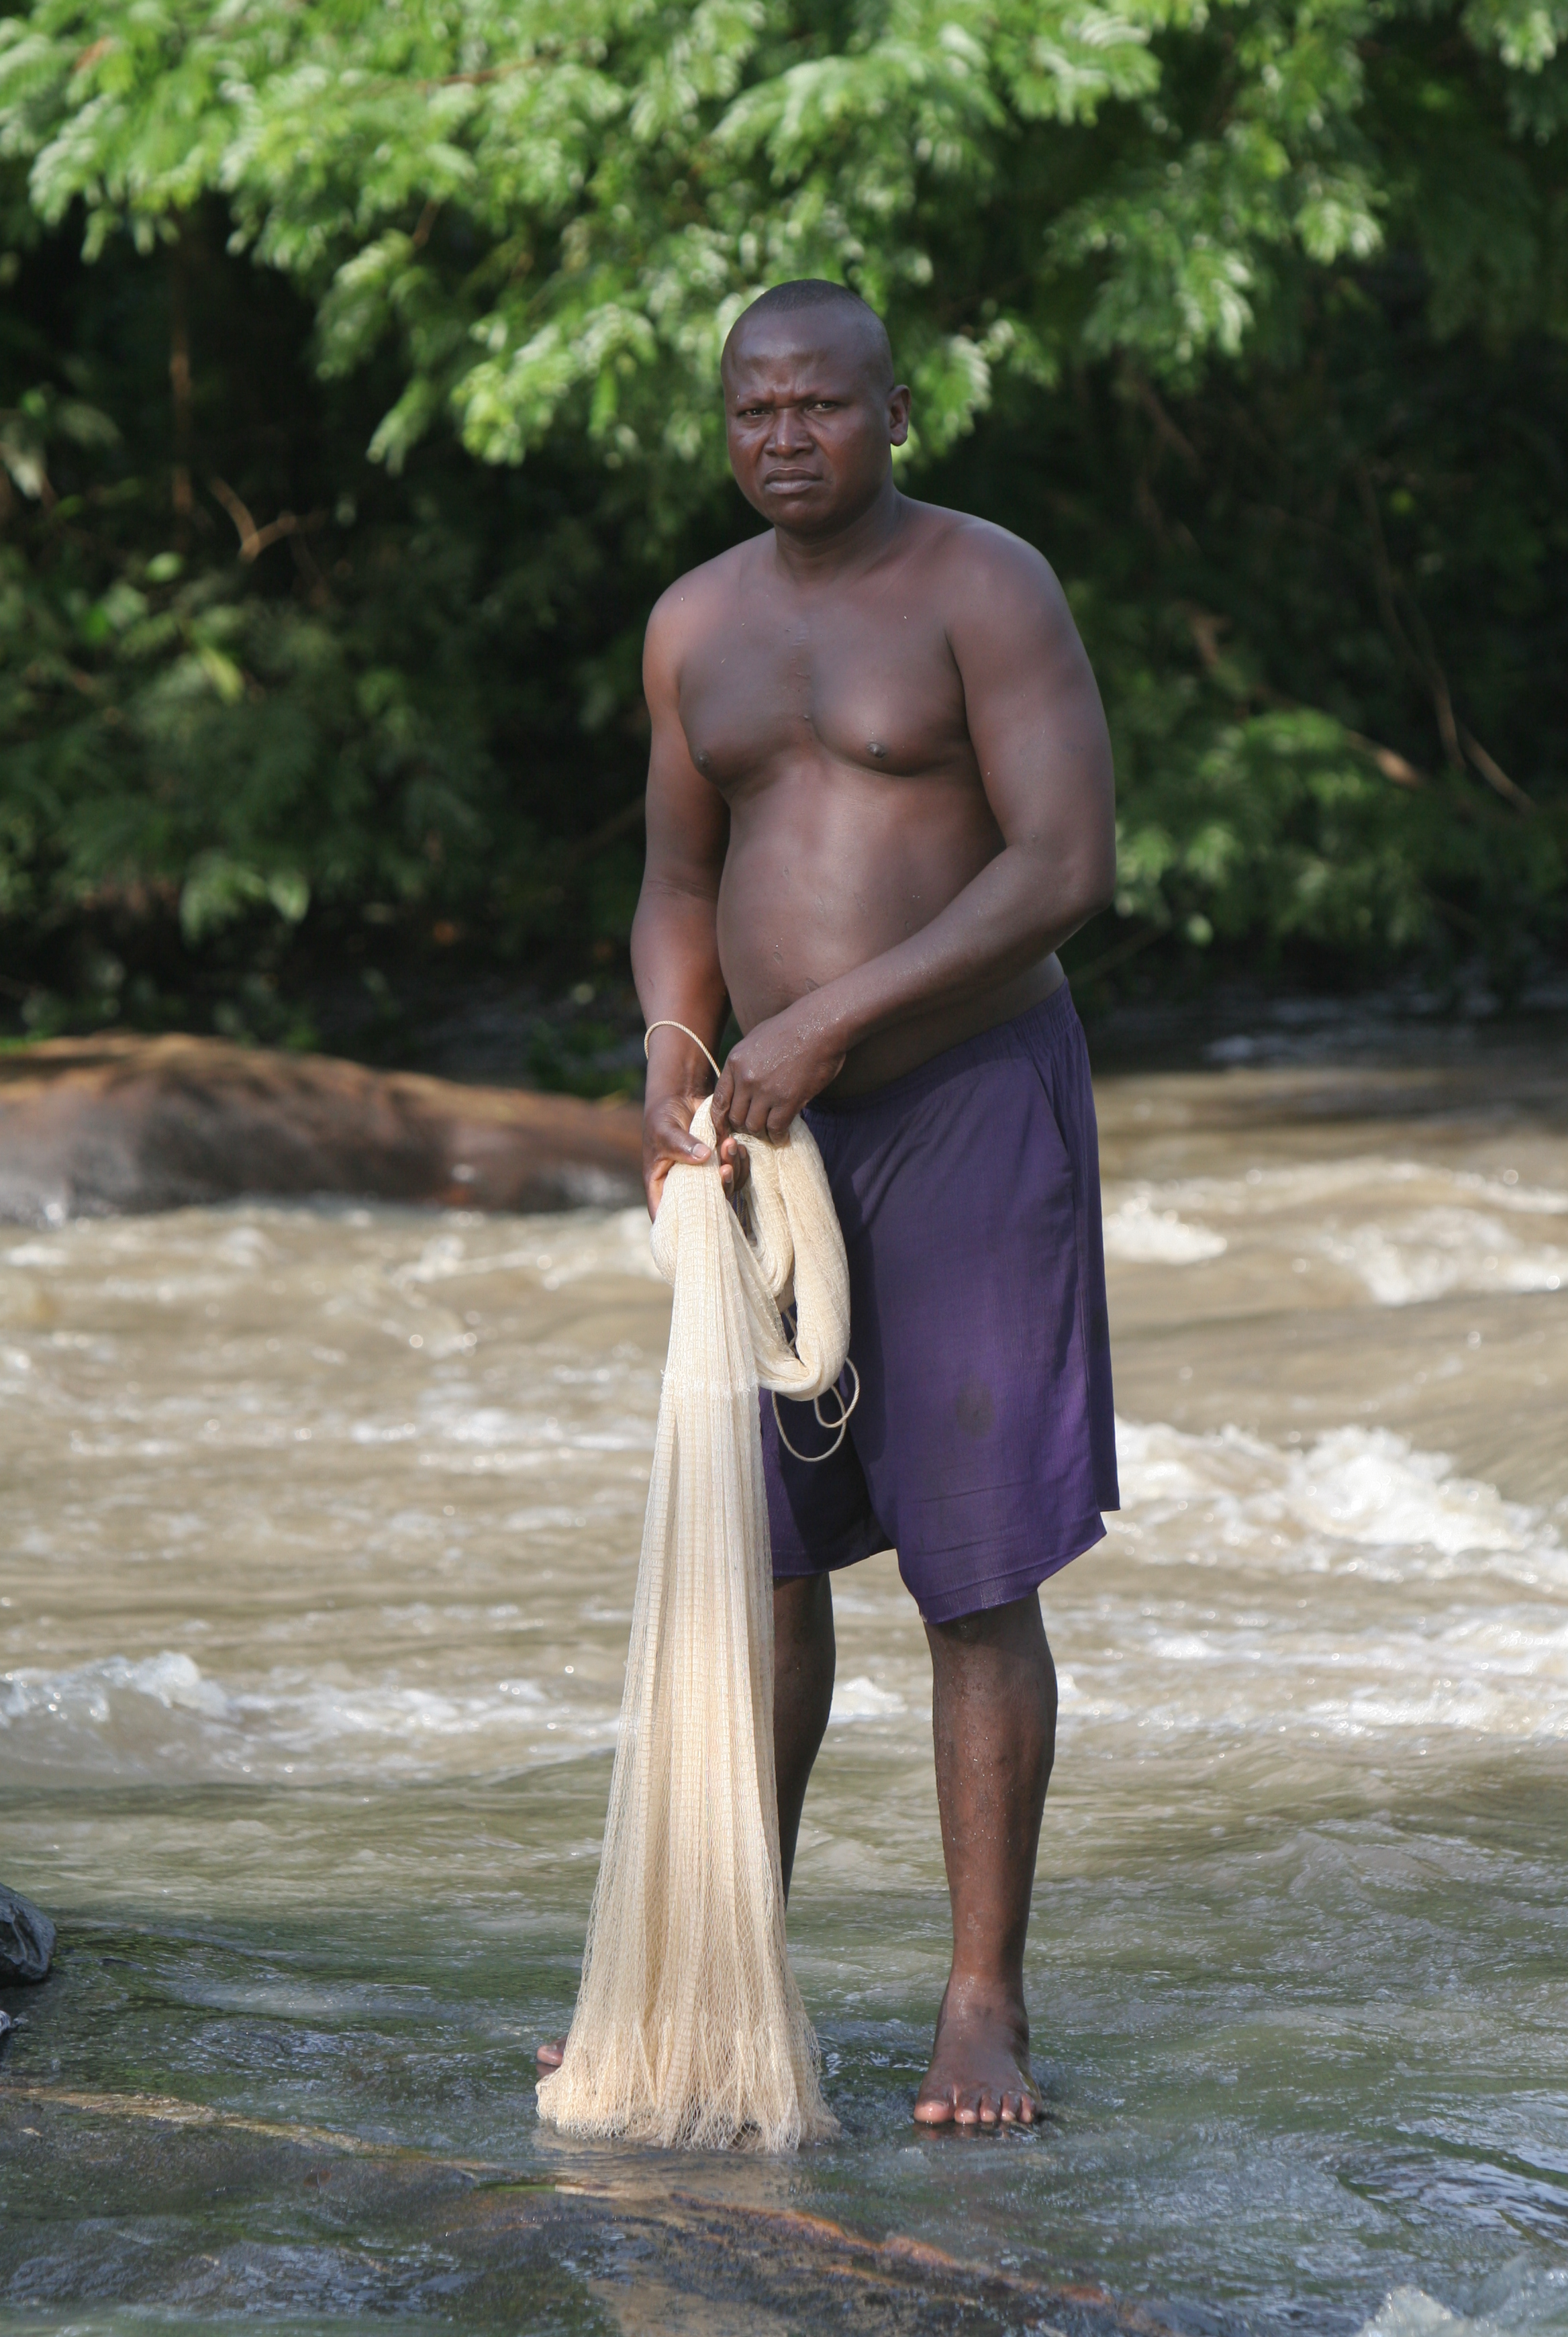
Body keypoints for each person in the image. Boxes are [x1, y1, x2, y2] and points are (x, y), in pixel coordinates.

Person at [539, 279, 1118, 2129]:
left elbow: (1065, 864)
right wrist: (671, 1054)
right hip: (768, 1143)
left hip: (963, 1109)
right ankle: (710, 1995)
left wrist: (832, 1019)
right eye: (752, 413)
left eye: (819, 406)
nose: (785, 437)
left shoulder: (982, 586)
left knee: (971, 1573)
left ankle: (981, 2010)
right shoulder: (692, 624)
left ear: (894, 411)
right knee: (763, 1577)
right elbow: (673, 873)